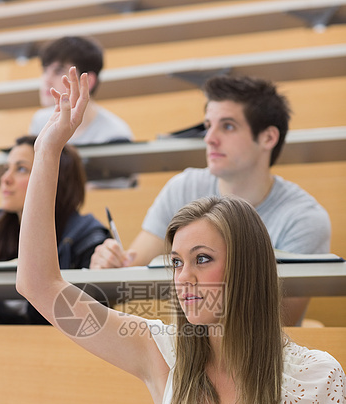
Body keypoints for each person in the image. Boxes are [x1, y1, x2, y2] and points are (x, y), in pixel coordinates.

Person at [16, 69, 344, 404]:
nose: (182, 280)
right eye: (175, 263)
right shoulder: (158, 348)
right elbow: (38, 284)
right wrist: (50, 146)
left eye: (203, 260)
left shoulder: (315, 377)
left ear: (248, 271)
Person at [89, 75, 332, 326]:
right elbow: (133, 268)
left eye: (227, 126)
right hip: (189, 344)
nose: (209, 138)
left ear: (268, 138)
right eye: (208, 125)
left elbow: (278, 322)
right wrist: (110, 263)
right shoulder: (182, 187)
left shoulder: (304, 218)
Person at [0, 135, 110, 324]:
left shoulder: (86, 236)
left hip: (62, 349)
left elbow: (101, 309)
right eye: (7, 169)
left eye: (21, 169)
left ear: (55, 179)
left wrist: (103, 271)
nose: (5, 179)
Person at [30, 36, 133, 146]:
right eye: (45, 71)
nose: (46, 80)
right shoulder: (40, 121)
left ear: (88, 81)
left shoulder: (115, 135)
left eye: (58, 71)